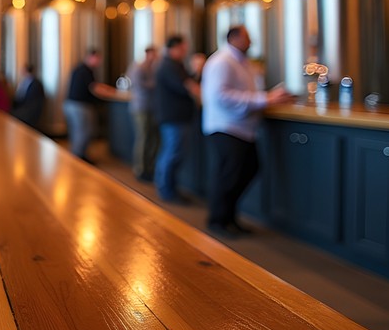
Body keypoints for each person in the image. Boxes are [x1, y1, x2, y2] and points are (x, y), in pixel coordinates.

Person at [202, 25, 294, 235]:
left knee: (248, 169)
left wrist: (270, 96)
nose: (251, 42)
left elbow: (246, 91)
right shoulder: (221, 62)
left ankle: (230, 218)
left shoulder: (242, 62)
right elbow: (221, 96)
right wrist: (265, 99)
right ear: (234, 38)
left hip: (242, 128)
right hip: (226, 127)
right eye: (247, 37)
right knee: (229, 175)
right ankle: (217, 221)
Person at [154, 36, 200, 204]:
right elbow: (186, 87)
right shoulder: (168, 66)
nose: (185, 51)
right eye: (183, 48)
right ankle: (167, 191)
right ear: (174, 48)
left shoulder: (174, 65)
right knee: (172, 153)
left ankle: (167, 188)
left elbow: (188, 83)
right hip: (174, 118)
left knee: (171, 153)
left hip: (176, 118)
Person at [63, 48, 115, 163]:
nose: (99, 62)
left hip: (71, 105)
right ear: (91, 57)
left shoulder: (81, 69)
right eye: (98, 59)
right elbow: (94, 88)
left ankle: (79, 156)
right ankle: (78, 159)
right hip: (79, 106)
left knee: (77, 132)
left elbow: (95, 85)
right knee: (83, 132)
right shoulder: (85, 71)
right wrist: (111, 93)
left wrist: (109, 89)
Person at [126, 45, 159, 181]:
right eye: (154, 54)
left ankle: (149, 167)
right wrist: (156, 84)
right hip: (141, 107)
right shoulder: (138, 67)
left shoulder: (152, 68)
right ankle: (140, 169)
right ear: (148, 54)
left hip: (151, 107)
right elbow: (139, 86)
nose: (155, 57)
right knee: (144, 138)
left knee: (153, 139)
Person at [11, 62, 45, 130]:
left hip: (29, 110)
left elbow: (34, 102)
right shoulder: (24, 82)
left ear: (25, 70)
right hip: (23, 107)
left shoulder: (36, 84)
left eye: (22, 69)